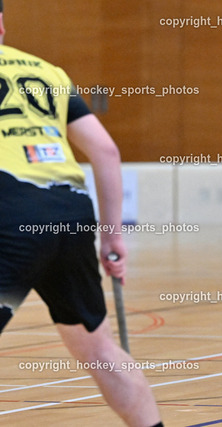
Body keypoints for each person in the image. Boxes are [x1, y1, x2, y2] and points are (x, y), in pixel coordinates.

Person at [0, 2, 163, 426]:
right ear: (0, 24)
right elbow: (106, 151)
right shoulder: (47, 72)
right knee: (100, 349)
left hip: (10, 207)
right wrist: (111, 239)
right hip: (70, 212)